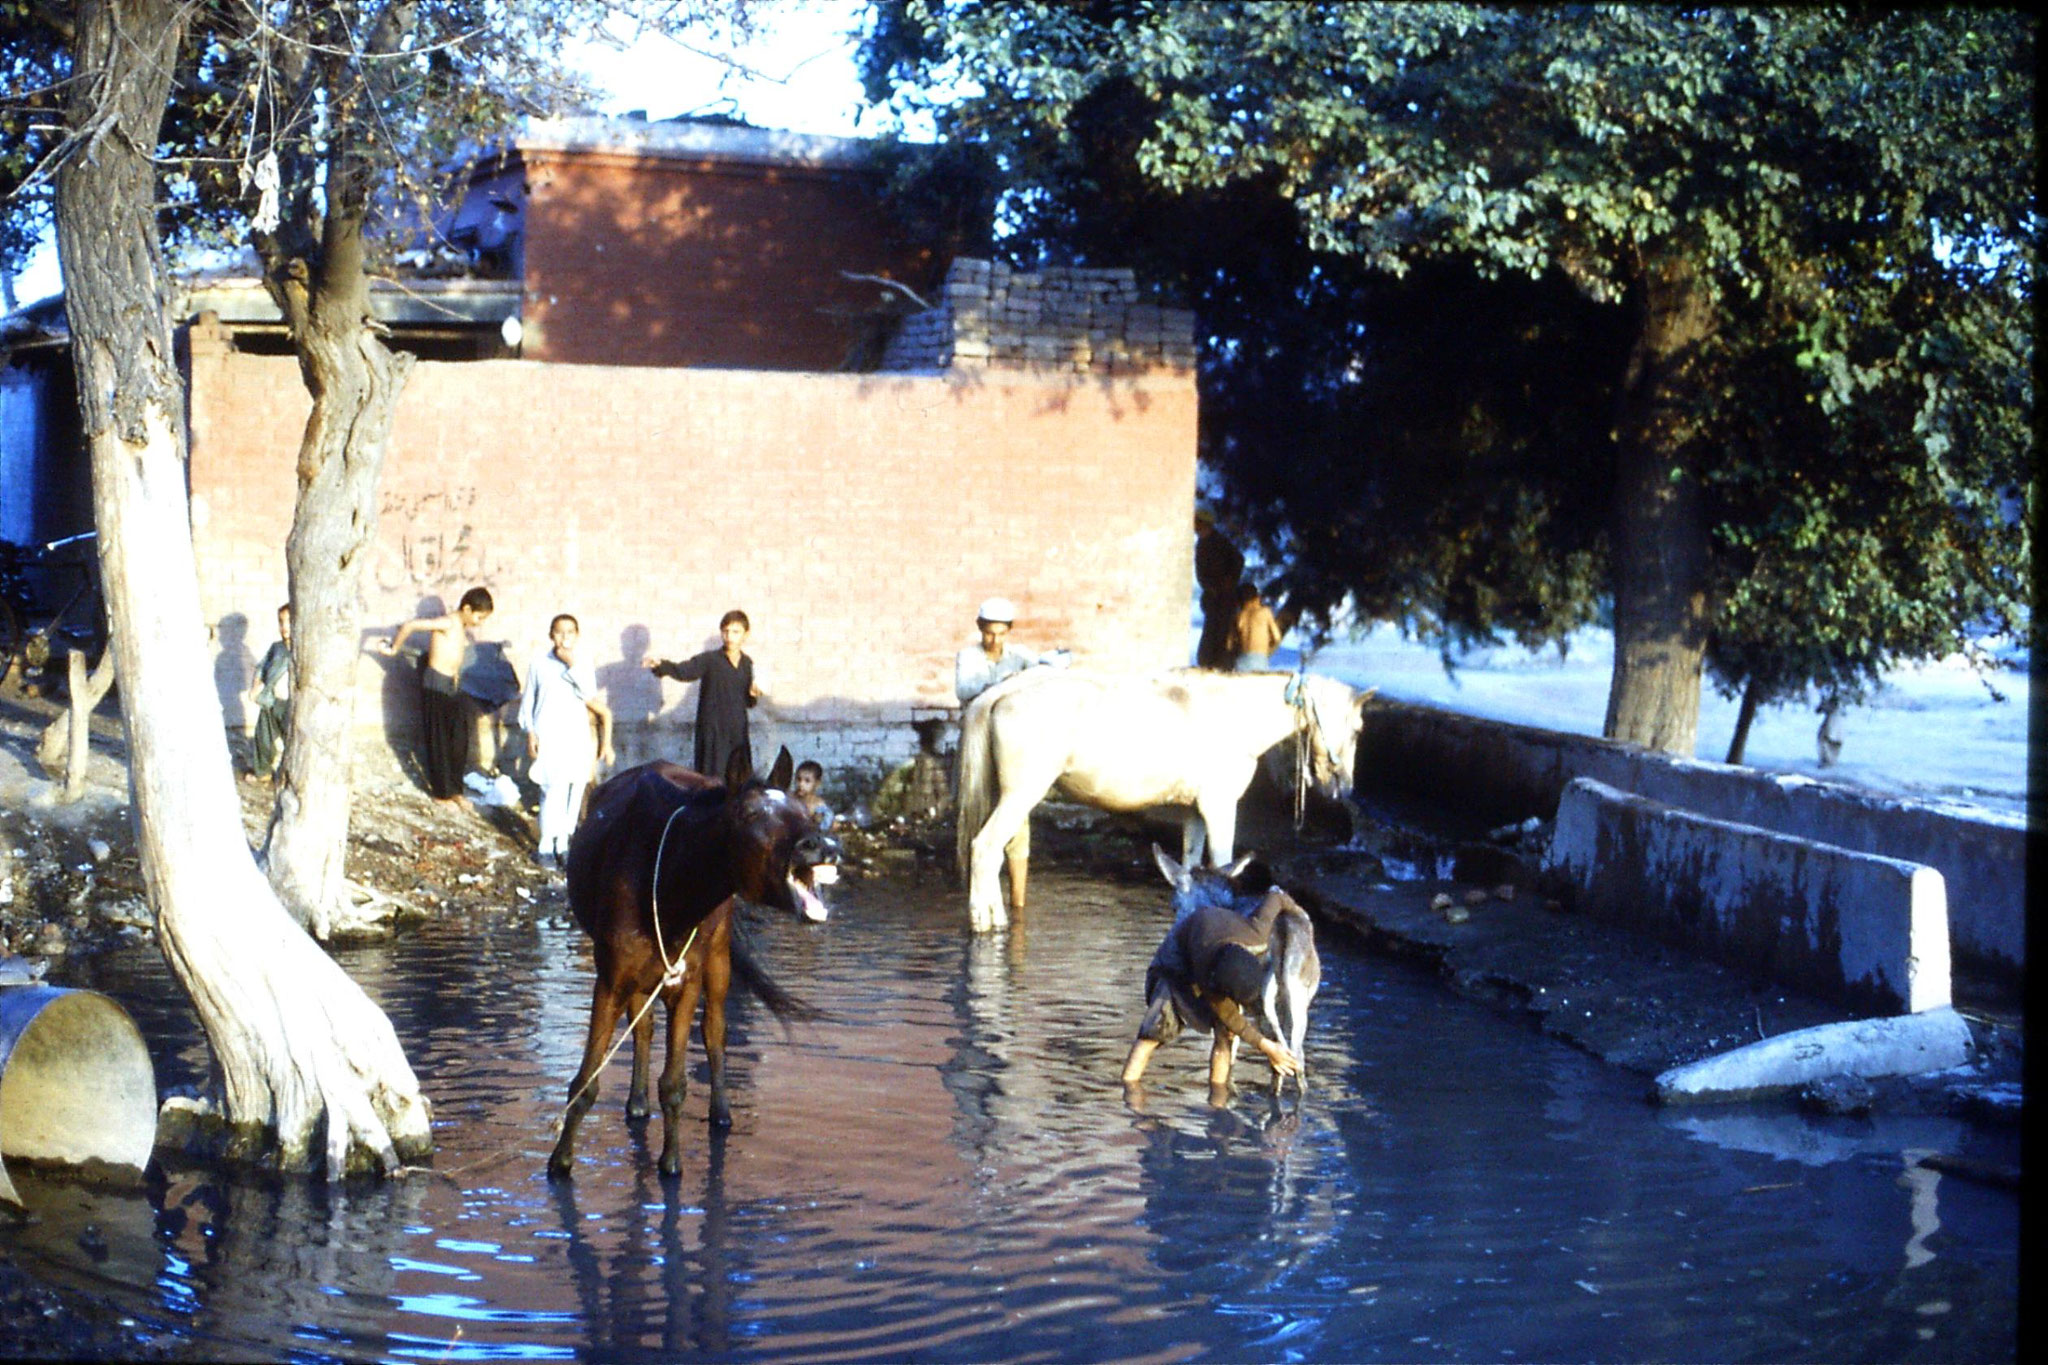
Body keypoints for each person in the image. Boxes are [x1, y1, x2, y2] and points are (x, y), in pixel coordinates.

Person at [1122, 887, 1302, 1093]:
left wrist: (1298, 914)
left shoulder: (1258, 933)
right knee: (1154, 1031)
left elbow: (1276, 896)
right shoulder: (1205, 969)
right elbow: (1226, 1013)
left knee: (1225, 1035)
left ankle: (1218, 1101)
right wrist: (1268, 1048)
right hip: (1177, 961)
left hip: (1221, 947)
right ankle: (1129, 1094)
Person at [377, 586, 494, 800]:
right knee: (439, 739)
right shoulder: (447, 622)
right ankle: (441, 794)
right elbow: (411, 625)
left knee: (458, 739)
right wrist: (394, 648)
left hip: (452, 686)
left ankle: (456, 790)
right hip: (435, 683)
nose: (479, 623)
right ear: (467, 609)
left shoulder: (461, 628)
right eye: (478, 617)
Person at [519, 613, 614, 869]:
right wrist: (531, 733)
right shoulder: (539, 663)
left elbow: (588, 693)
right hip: (548, 733)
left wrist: (571, 663)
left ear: (577, 635)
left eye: (570, 632)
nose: (564, 637)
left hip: (575, 734)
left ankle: (563, 843)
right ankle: (546, 846)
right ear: (551, 635)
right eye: (559, 632)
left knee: (574, 788)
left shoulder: (582, 663)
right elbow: (529, 702)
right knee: (552, 789)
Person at [647, 608, 759, 777]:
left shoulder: (747, 664)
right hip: (712, 730)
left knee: (739, 778)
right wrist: (661, 666)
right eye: (726, 631)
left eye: (735, 632)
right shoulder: (710, 660)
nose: (729, 637)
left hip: (737, 731)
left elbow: (748, 702)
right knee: (711, 778)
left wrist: (753, 694)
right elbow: (684, 671)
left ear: (746, 634)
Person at [954, 596, 1067, 704]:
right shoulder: (968, 656)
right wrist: (1000, 683)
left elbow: (1041, 669)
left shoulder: (1019, 654)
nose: (995, 640)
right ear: (980, 628)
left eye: (1001, 634)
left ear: (1009, 630)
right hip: (975, 719)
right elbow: (962, 691)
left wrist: (1051, 661)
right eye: (989, 634)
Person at [1193, 506, 1244, 670]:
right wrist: (1209, 587)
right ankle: (1207, 661)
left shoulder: (1220, 542)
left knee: (1222, 629)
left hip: (1225, 596)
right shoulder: (1201, 544)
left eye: (1198, 523)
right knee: (1211, 628)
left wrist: (1229, 580)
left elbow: (1238, 560)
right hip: (1213, 595)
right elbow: (1201, 572)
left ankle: (1220, 662)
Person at [247, 603, 293, 783]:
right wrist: (256, 685)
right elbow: (261, 667)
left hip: (291, 704)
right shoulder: (277, 648)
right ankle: (262, 770)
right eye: (281, 622)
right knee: (263, 735)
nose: (284, 627)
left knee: (292, 739)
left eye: (289, 622)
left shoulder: (301, 649)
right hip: (273, 701)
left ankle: (289, 774)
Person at [1230, 581, 1284, 672]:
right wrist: (1266, 652)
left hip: (1241, 660)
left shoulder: (1238, 616)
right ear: (1257, 598)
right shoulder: (1265, 612)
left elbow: (1230, 645)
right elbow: (1277, 637)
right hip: (1260, 660)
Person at [791, 759, 835, 829]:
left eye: (807, 781)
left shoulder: (819, 806)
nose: (801, 784)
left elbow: (822, 829)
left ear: (817, 784)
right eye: (799, 779)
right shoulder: (790, 799)